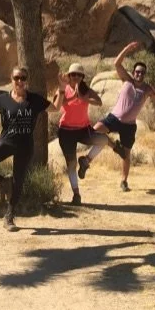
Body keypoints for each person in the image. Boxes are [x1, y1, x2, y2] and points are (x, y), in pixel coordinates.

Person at [0, 66, 56, 232]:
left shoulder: (35, 99)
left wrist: (63, 91)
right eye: (17, 78)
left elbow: (54, 108)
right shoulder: (3, 99)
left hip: (25, 146)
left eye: (23, 78)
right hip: (6, 143)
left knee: (18, 181)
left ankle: (9, 216)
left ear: (27, 80)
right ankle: (2, 181)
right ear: (11, 79)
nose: (20, 81)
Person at [78, 41, 155, 192]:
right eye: (137, 71)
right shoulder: (127, 80)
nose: (139, 74)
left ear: (145, 75)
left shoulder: (147, 89)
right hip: (114, 118)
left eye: (142, 72)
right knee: (96, 130)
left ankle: (123, 180)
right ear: (133, 72)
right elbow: (116, 63)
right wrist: (126, 49)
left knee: (126, 154)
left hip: (130, 125)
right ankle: (108, 149)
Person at [52, 62, 105, 205]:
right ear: (69, 76)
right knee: (71, 164)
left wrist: (83, 98)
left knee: (103, 140)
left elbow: (99, 102)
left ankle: (86, 161)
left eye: (78, 75)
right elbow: (57, 104)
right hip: (66, 131)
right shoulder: (63, 88)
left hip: (83, 129)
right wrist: (71, 96)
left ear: (82, 77)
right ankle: (76, 195)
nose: (75, 77)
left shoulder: (86, 89)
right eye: (73, 74)